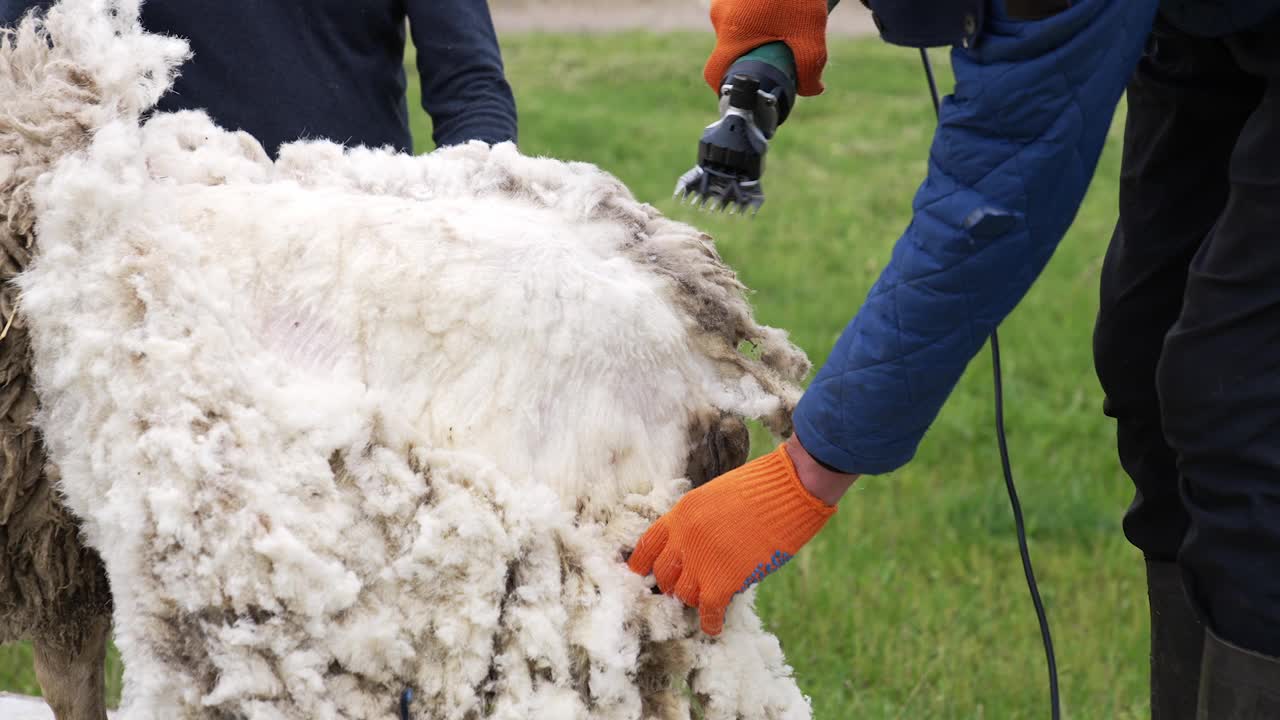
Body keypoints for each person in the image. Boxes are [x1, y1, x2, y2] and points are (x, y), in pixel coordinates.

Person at [626, 0, 1280, 716]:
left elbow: (999, 183)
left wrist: (805, 476)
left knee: (1242, 405)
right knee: (1145, 357)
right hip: (1208, 32)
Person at [0, 0, 517, 156]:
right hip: (169, 251)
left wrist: (475, 220)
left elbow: (470, 87)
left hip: (355, 243)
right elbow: (17, 62)